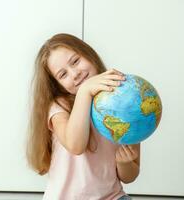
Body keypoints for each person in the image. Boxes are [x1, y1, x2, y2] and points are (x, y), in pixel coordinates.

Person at [26, 33, 140, 200]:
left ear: (89, 54)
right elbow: (75, 145)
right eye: (63, 75)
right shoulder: (58, 107)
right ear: (57, 84)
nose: (74, 74)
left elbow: (130, 176)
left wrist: (125, 163)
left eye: (75, 61)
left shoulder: (123, 102)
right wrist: (85, 91)